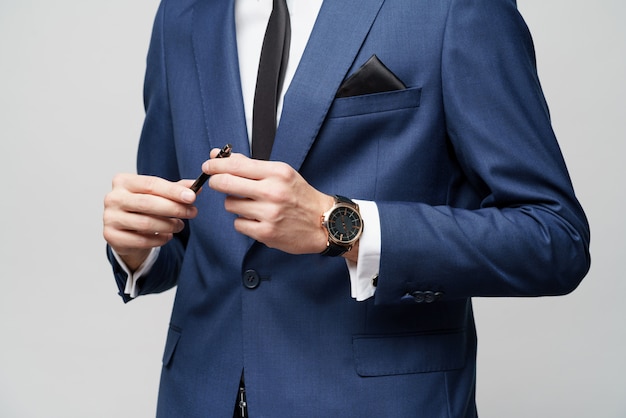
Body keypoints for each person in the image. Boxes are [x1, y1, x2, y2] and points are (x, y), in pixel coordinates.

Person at [103, 0, 591, 416]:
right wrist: (136, 247)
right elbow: (181, 228)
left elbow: (554, 238)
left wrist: (340, 227)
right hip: (197, 396)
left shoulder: (455, 7)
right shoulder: (182, 13)